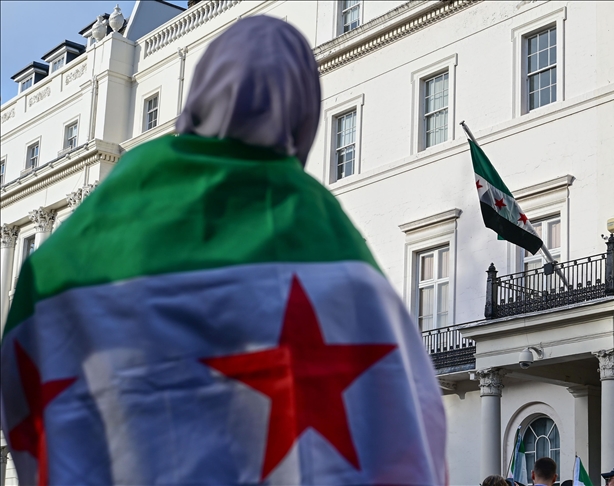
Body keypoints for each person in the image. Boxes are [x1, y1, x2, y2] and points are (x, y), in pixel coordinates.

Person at [0, 16, 447, 486]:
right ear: (303, 113)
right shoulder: (318, 224)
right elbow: (407, 408)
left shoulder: (100, 219)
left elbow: (28, 366)